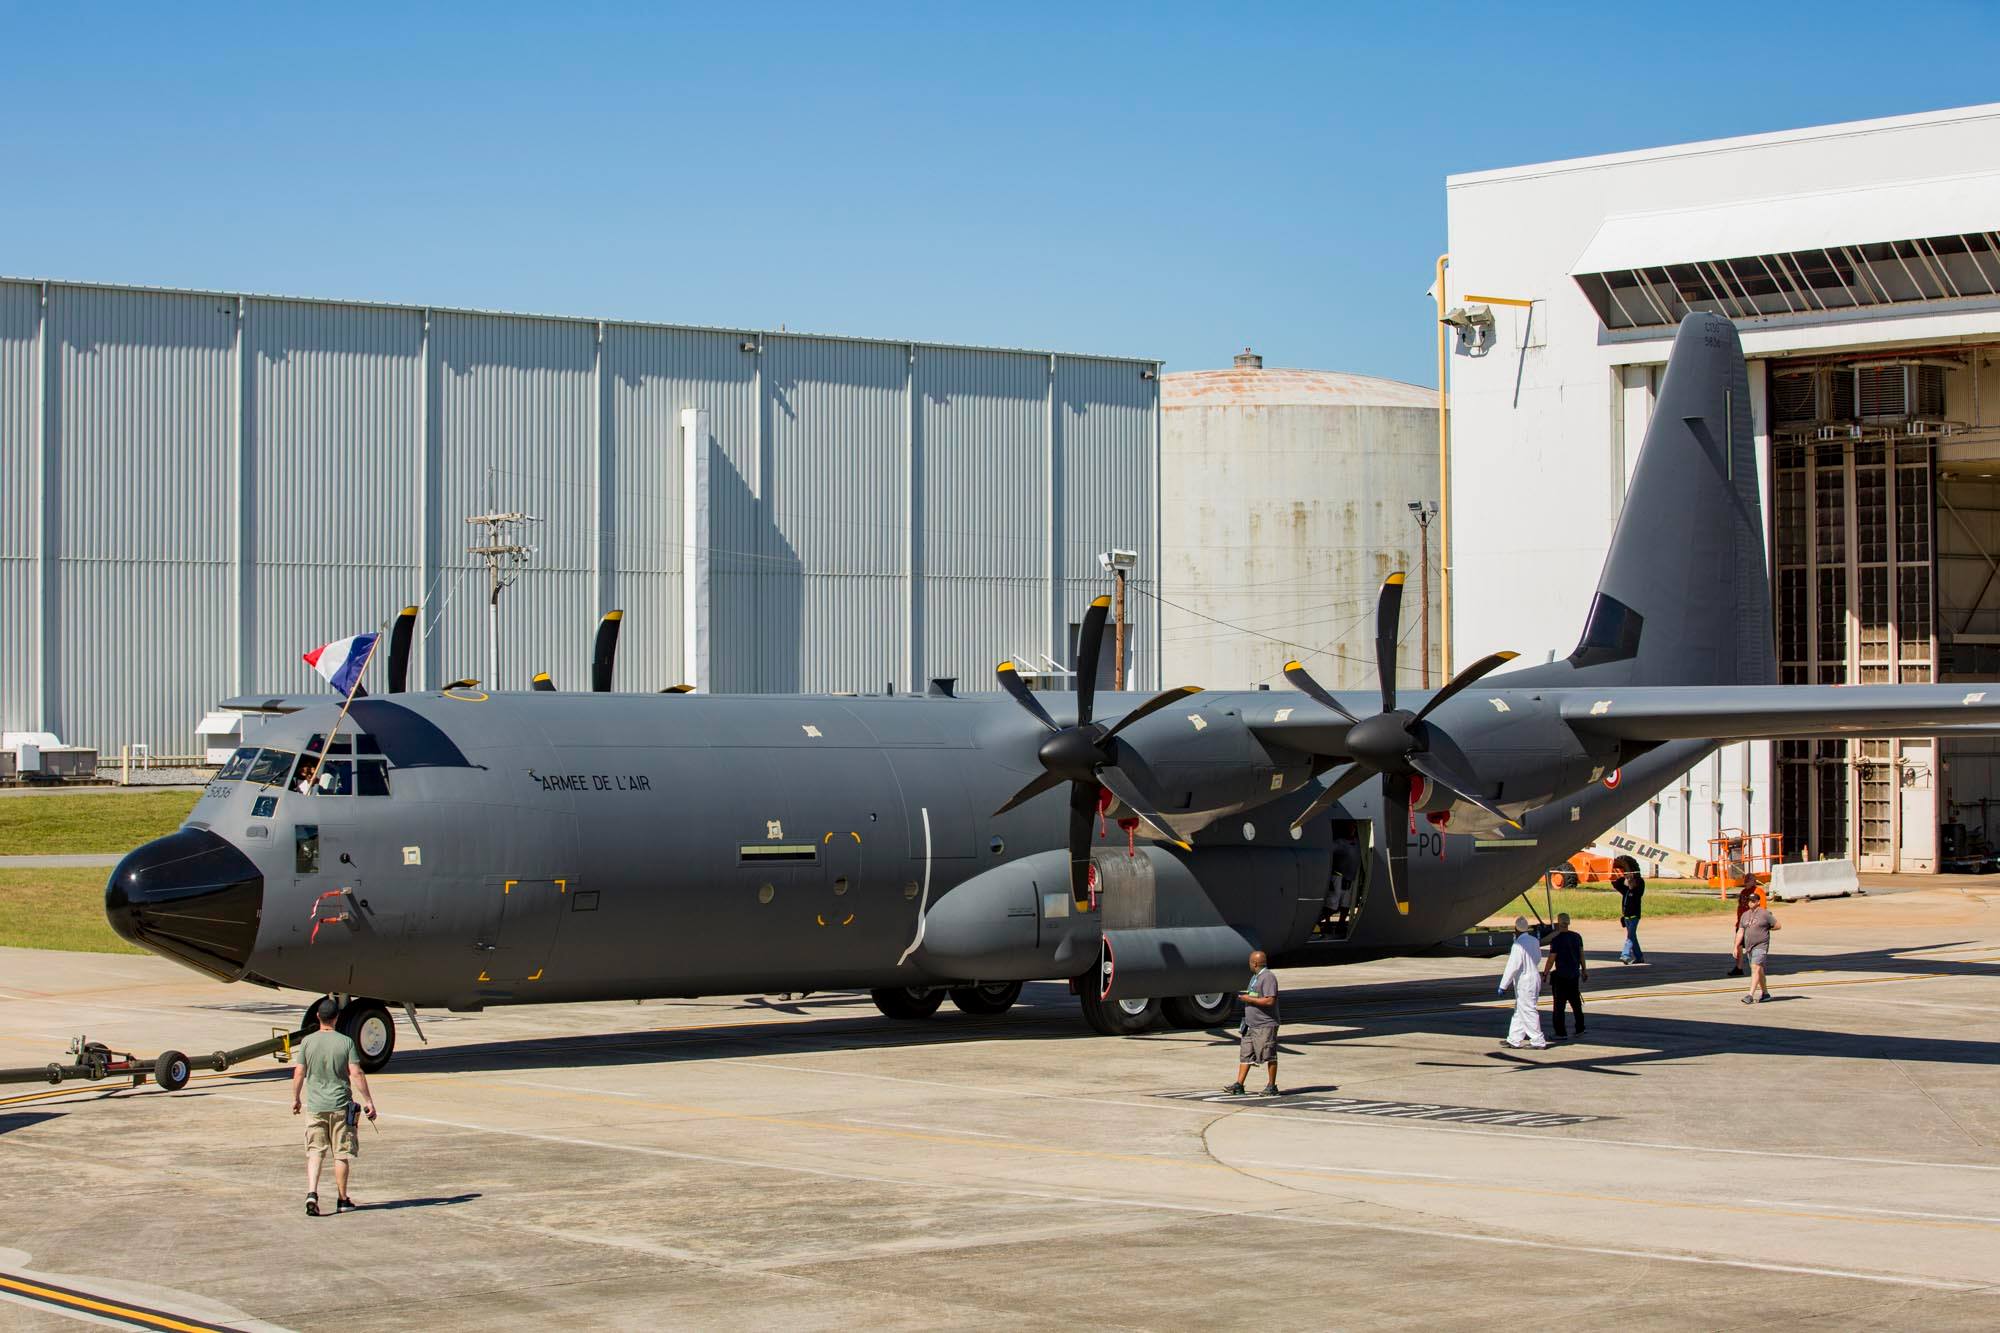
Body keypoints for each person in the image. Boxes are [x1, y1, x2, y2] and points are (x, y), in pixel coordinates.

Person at [291, 998, 378, 1215]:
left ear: (318, 1017)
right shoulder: (345, 1042)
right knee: (341, 1154)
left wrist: (296, 1098)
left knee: (315, 1153)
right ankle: (342, 1199)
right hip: (340, 1106)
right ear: (336, 1018)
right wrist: (368, 1100)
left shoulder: (307, 1042)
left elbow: (299, 1072)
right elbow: (356, 1073)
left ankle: (312, 1193)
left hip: (316, 1106)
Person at [1223, 950, 1281, 1095]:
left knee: (1269, 1054)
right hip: (1250, 1024)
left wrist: (1249, 999)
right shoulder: (1255, 977)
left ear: (1255, 963)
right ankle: (1239, 1085)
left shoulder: (1268, 977)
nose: (1249, 964)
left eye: (1250, 962)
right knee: (1246, 1055)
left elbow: (1270, 1000)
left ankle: (1272, 1086)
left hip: (1265, 1024)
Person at [1497, 917, 1547, 1050]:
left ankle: (1538, 1040)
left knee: (1528, 1009)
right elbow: (1537, 958)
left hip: (1525, 981)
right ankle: (1514, 1039)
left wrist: (1503, 985)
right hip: (1534, 976)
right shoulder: (1534, 940)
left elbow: (1512, 966)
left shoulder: (1518, 945)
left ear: (1516, 929)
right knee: (1520, 1010)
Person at [1541, 911, 1586, 1040]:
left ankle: (1560, 1032)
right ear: (1569, 922)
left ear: (1558, 923)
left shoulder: (1556, 939)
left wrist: (1545, 973)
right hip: (1574, 975)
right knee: (1576, 1005)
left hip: (1561, 977)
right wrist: (1584, 970)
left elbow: (1551, 959)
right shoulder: (1577, 937)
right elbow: (1581, 955)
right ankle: (1580, 1028)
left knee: (1559, 1007)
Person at [1734, 897, 1781, 1004]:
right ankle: (1765, 994)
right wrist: (1736, 946)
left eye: (1753, 901)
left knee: (1755, 968)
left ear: (1758, 902)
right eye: (1749, 901)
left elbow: (1778, 925)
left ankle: (1750, 995)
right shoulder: (1745, 915)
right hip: (1750, 946)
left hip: (1761, 945)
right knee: (1759, 970)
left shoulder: (1764, 914)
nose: (1750, 903)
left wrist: (1767, 928)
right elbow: (1740, 931)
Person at [1614, 855, 1646, 964]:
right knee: (1633, 937)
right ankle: (1639, 957)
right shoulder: (1625, 890)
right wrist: (1619, 876)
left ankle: (1625, 955)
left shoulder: (1639, 884)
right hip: (1626, 917)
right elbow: (1617, 884)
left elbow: (1633, 885)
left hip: (1634, 916)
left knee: (1630, 936)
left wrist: (1629, 878)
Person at [1727, 886, 1757, 977]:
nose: (1746, 881)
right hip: (1740, 924)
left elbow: (1761, 908)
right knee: (1738, 945)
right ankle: (1739, 968)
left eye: (1749, 879)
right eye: (1746, 879)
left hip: (1751, 926)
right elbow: (1740, 905)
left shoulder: (1758, 891)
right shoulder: (1743, 891)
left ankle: (1756, 967)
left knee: (1752, 947)